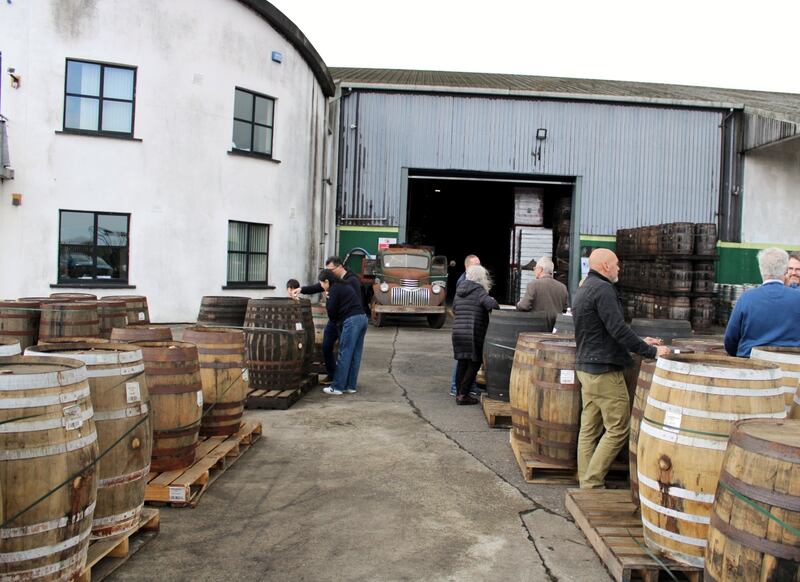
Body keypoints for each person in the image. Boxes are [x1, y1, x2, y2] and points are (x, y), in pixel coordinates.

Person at [573, 248, 670, 489]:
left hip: (586, 367)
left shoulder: (583, 289)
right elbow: (617, 328)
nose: (619, 268)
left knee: (589, 429)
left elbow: (603, 331)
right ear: (606, 266)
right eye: (616, 264)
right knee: (618, 429)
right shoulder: (604, 290)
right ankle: (592, 482)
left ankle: (586, 483)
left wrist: (639, 341)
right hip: (604, 371)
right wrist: (651, 351)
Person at [291, 256, 363, 385]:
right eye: (327, 270)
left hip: (347, 320)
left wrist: (330, 298)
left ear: (340, 266)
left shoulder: (352, 280)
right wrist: (301, 290)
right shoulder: (330, 280)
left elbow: (355, 302)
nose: (329, 272)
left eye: (331, 269)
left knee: (345, 351)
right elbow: (318, 286)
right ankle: (332, 375)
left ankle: (344, 382)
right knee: (326, 346)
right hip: (334, 319)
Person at [724, 247, 800, 357]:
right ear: (785, 271)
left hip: (750, 364)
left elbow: (730, 340)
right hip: (791, 363)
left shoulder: (746, 299)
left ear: (760, 269)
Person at [451, 265, 499, 405]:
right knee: (474, 362)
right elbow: (492, 306)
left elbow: (454, 308)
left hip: (458, 332)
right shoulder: (479, 291)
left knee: (462, 361)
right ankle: (463, 394)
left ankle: (459, 393)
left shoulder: (459, 290)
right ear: (481, 278)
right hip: (473, 332)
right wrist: (493, 300)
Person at [316, 269, 368, 396]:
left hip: (352, 321)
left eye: (321, 284)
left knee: (344, 353)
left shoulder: (334, 290)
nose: (321, 286)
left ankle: (337, 387)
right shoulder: (344, 285)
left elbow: (332, 313)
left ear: (327, 281)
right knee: (355, 354)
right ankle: (350, 386)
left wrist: (328, 299)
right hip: (362, 319)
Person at [450, 254, 481, 397]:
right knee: (463, 359)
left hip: (465, 327)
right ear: (467, 266)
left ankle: (468, 386)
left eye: (480, 264)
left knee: (466, 359)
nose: (480, 267)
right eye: (476, 264)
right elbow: (457, 307)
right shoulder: (464, 282)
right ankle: (456, 387)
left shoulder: (472, 281)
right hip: (466, 327)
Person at [516, 256, 570, 329]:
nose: (534, 271)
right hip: (555, 329)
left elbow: (523, 306)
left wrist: (518, 304)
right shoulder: (563, 287)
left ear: (540, 269)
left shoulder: (533, 285)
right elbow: (565, 309)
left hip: (536, 329)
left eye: (535, 269)